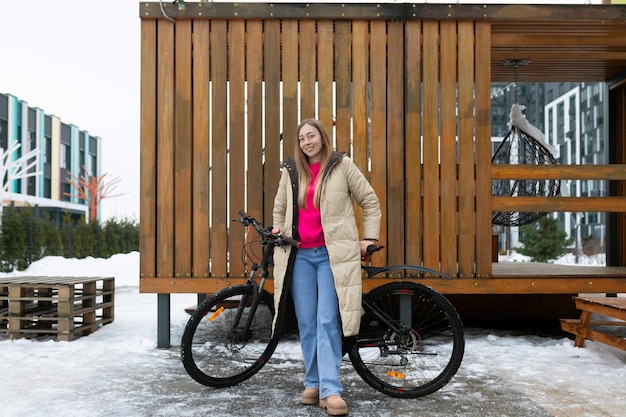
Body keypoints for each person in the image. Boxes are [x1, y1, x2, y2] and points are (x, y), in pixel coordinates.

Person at [272, 119, 381, 416]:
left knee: (327, 322)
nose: (307, 141)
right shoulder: (292, 170)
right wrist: (278, 228)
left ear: (322, 137)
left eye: (312, 135)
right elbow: (280, 208)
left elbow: (369, 200)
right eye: (302, 137)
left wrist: (368, 237)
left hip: (333, 257)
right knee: (307, 323)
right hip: (301, 257)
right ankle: (313, 383)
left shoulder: (342, 165)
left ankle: (331, 390)